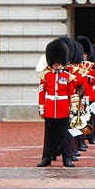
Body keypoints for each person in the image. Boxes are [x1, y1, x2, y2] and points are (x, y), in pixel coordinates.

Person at [37, 38, 75, 168]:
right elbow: (42, 93)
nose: (56, 64)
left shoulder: (68, 77)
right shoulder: (46, 77)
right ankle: (46, 158)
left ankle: (67, 159)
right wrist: (41, 108)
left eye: (59, 62)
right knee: (48, 137)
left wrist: (72, 109)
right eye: (54, 62)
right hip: (50, 109)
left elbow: (71, 94)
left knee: (65, 136)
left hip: (63, 109)